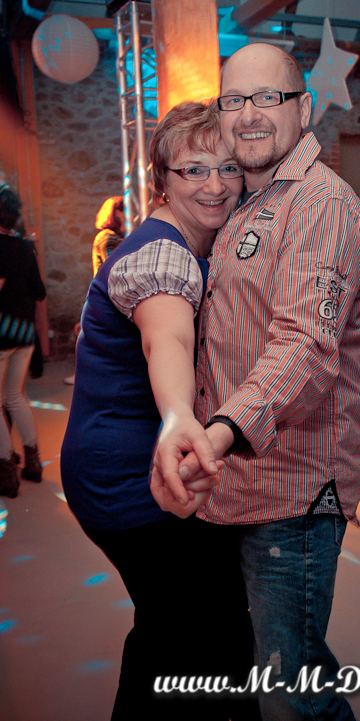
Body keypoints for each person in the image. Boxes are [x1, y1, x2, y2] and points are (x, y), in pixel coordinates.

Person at [152, 43, 360, 721]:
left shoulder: (320, 204)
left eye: (267, 97)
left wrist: (219, 432)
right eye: (234, 100)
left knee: (292, 694)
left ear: (303, 109)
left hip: (293, 494)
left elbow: (304, 347)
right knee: (265, 676)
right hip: (238, 487)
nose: (249, 114)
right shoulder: (247, 201)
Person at [60, 102, 258, 720]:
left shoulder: (205, 242)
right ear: (162, 179)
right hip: (130, 479)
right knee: (192, 629)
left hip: (140, 467)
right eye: (194, 169)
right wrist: (177, 415)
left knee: (185, 623)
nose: (215, 185)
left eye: (228, 168)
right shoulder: (160, 253)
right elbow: (165, 334)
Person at [0, 184, 46, 497]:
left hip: (1, 334)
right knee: (15, 396)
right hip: (24, 333)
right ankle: (33, 463)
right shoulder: (23, 247)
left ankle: (6, 472)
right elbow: (39, 292)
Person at [64, 197, 126, 386]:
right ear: (116, 213)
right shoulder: (109, 237)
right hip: (109, 297)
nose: (129, 214)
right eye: (125, 210)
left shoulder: (108, 236)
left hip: (105, 296)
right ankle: (85, 377)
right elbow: (116, 269)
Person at [92, 196, 125, 276]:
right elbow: (114, 269)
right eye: (131, 211)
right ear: (118, 213)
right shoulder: (108, 236)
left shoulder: (116, 236)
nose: (134, 215)